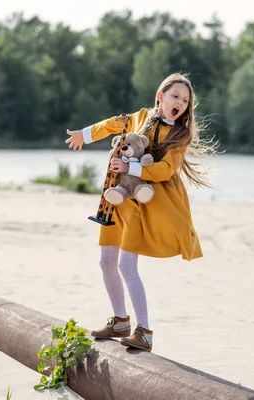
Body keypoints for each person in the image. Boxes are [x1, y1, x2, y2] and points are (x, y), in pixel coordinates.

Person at [65, 72, 217, 352]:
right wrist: (84, 135)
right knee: (106, 261)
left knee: (126, 265)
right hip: (114, 198)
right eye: (175, 96)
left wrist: (130, 168)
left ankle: (144, 332)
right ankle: (120, 321)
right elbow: (112, 124)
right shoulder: (141, 116)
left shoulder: (179, 134)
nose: (180, 103)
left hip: (142, 203)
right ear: (160, 96)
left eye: (185, 100)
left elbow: (166, 169)